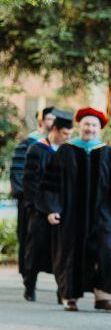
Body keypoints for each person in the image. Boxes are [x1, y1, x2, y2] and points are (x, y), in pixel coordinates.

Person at [41, 107, 111, 312]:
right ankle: (70, 296)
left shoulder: (106, 152)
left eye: (94, 125)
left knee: (106, 249)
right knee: (71, 251)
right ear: (79, 126)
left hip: (102, 213)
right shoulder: (65, 150)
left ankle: (103, 295)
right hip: (70, 213)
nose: (90, 128)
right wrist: (52, 208)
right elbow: (51, 183)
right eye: (86, 124)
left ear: (100, 129)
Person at [21, 109, 73, 301]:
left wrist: (59, 209)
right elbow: (31, 183)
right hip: (39, 210)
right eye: (65, 134)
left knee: (61, 251)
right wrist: (45, 209)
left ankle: (62, 292)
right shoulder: (36, 149)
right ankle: (30, 286)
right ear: (56, 130)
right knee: (35, 250)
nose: (68, 137)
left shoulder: (67, 152)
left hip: (60, 210)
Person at [11, 106, 55, 283]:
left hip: (50, 202)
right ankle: (27, 274)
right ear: (42, 121)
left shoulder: (57, 145)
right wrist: (29, 198)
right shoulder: (28, 143)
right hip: (29, 201)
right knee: (27, 235)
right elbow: (18, 173)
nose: (53, 122)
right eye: (50, 119)